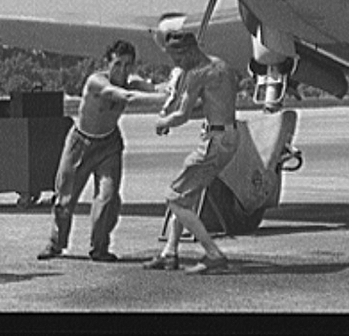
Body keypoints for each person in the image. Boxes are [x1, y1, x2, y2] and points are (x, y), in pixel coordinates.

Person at [37, 39, 156, 262]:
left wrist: (179, 86)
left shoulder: (132, 82)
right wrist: (164, 97)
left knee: (108, 198)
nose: (122, 70)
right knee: (64, 199)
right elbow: (127, 97)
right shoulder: (96, 82)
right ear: (108, 63)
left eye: (128, 65)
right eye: (118, 64)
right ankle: (56, 244)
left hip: (109, 145)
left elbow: (156, 88)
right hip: (80, 144)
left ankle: (100, 247)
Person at [144, 29, 240, 274]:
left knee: (174, 197)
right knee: (188, 195)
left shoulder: (197, 74)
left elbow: (182, 115)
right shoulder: (223, 67)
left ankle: (213, 253)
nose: (177, 64)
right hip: (229, 135)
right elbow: (216, 104)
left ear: (187, 52)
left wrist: (162, 123)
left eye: (177, 59)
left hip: (214, 142)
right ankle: (170, 253)